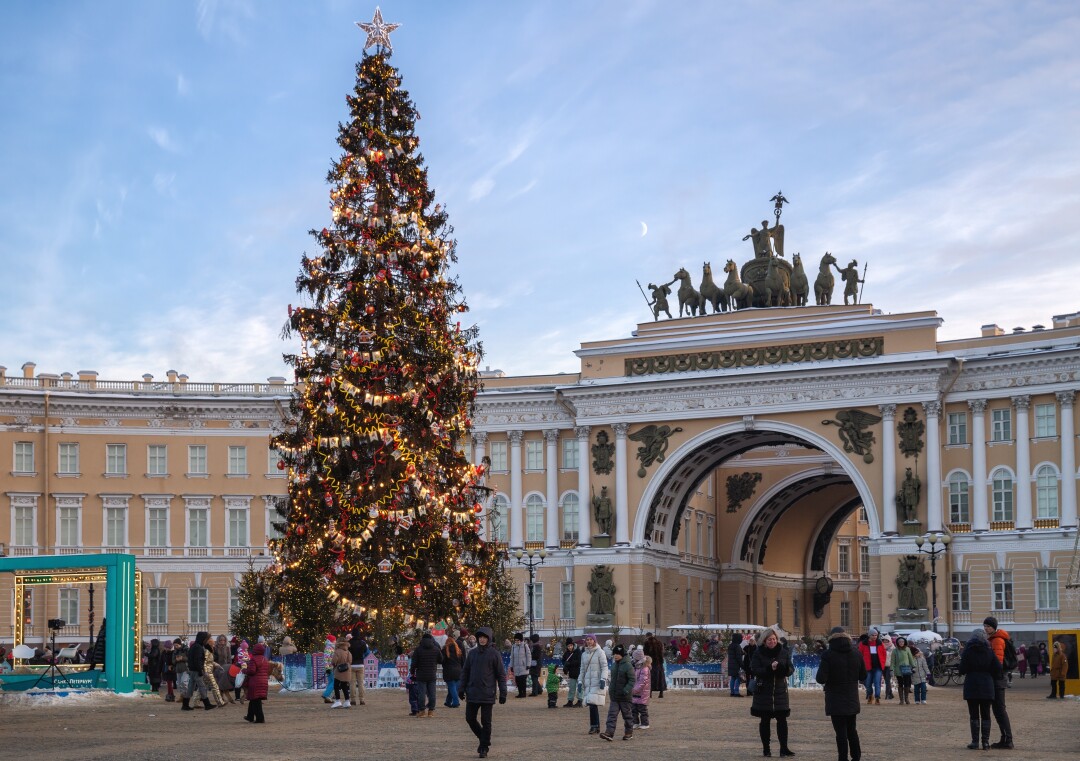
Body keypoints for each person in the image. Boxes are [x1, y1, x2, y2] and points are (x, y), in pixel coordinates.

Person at [816, 626, 866, 761]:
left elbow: (820, 678)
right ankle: (856, 757)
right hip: (851, 697)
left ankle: (842, 758)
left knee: (840, 733)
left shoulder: (828, 655)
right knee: (852, 730)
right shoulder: (856, 653)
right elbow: (863, 675)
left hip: (835, 698)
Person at [460, 626, 507, 759]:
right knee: (470, 718)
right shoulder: (472, 653)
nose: (481, 639)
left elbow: (501, 675)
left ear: (488, 639)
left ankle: (484, 748)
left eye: (484, 637)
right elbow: (465, 672)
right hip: (473, 692)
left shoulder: (494, 654)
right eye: (480, 637)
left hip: (487, 692)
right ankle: (484, 739)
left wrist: (503, 692)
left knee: (486, 722)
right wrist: (461, 688)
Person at [751, 626, 795, 757]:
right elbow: (754, 669)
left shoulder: (783, 652)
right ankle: (766, 748)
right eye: (769, 639)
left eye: (774, 639)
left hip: (780, 692)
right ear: (764, 641)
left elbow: (791, 669)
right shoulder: (758, 653)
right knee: (765, 721)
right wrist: (769, 669)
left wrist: (783, 668)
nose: (772, 641)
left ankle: (784, 748)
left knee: (782, 721)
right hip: (764, 692)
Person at [959, 627, 1001, 750]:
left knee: (974, 715)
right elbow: (998, 669)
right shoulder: (989, 651)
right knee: (986, 714)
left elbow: (962, 669)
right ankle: (986, 743)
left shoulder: (968, 651)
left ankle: (975, 742)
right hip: (987, 685)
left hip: (972, 684)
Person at [983, 616, 1014, 749]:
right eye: (984, 626)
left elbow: (997, 662)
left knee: (1000, 710)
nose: (986, 628)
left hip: (997, 679)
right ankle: (1005, 738)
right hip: (998, 679)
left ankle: (1008, 740)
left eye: (988, 626)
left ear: (994, 627)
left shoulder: (997, 640)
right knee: (998, 710)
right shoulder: (994, 639)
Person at [599, 643, 635, 741]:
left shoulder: (628, 665)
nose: (615, 656)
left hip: (625, 696)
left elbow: (632, 680)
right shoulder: (614, 665)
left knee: (627, 716)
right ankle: (609, 733)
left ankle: (628, 732)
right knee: (612, 715)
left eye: (617, 654)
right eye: (614, 654)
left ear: (622, 654)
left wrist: (626, 690)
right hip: (615, 696)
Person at [580, 634, 610, 735]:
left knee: (592, 704)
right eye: (587, 640)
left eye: (590, 640)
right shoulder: (584, 654)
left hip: (596, 681)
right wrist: (580, 681)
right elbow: (582, 670)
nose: (589, 641)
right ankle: (595, 726)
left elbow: (604, 667)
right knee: (591, 704)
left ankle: (594, 726)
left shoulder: (600, 652)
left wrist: (603, 679)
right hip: (588, 682)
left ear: (594, 641)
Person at [182, 632, 215, 711]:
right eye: (207, 639)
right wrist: (200, 671)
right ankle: (207, 704)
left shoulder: (195, 646)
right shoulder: (198, 647)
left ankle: (185, 705)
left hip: (193, 670)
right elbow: (197, 660)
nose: (208, 641)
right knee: (202, 687)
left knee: (191, 687)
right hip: (196, 670)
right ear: (203, 639)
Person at [243, 641, 270, 723]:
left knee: (256, 701)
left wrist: (245, 670)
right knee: (253, 699)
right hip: (263, 682)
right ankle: (250, 716)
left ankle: (260, 718)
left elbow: (252, 671)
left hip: (255, 682)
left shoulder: (253, 659)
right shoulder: (265, 659)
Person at [858, 629, 887, 704]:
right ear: (869, 635)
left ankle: (877, 697)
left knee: (877, 682)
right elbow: (860, 655)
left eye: (876, 635)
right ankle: (870, 695)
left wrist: (882, 664)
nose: (874, 636)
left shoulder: (880, 643)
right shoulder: (863, 644)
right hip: (867, 667)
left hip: (878, 667)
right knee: (868, 683)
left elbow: (884, 654)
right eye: (873, 635)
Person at [889, 635, 916, 705]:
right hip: (898, 670)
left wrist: (913, 666)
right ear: (897, 643)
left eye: (902, 641)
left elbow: (910, 658)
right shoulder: (895, 651)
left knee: (907, 684)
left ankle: (906, 698)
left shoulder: (907, 649)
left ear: (905, 642)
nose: (901, 643)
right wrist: (891, 669)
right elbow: (892, 661)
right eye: (900, 642)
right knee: (900, 684)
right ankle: (901, 699)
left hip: (906, 669)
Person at [631, 650, 651, 730]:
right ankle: (635, 722)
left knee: (642, 709)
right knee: (633, 708)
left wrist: (635, 689)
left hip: (642, 692)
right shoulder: (636, 666)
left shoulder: (644, 668)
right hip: (634, 691)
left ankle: (645, 723)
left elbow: (643, 681)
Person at [443, 633, 465, 708]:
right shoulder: (458, 650)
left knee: (452, 687)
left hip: (449, 671)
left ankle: (456, 702)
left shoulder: (445, 650)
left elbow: (443, 661)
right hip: (458, 671)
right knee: (453, 688)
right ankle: (448, 701)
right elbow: (462, 661)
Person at [330, 636, 352, 709]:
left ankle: (338, 701)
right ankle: (347, 701)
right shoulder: (348, 651)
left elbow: (333, 661)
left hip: (339, 671)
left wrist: (334, 665)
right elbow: (350, 661)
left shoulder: (337, 651)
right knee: (344, 686)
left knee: (336, 686)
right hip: (347, 671)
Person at [643, 633, 667, 698]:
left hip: (651, 662)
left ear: (647, 636)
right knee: (661, 677)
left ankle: (650, 693)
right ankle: (661, 692)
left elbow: (645, 653)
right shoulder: (659, 643)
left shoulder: (647, 643)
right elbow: (662, 653)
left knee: (650, 677)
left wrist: (646, 662)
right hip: (659, 663)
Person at [349, 631, 369, 706]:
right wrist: (362, 656)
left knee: (352, 683)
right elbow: (367, 652)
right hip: (360, 664)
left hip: (352, 665)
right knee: (361, 683)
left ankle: (353, 700)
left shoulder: (349, 643)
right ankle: (362, 700)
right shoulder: (362, 643)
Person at [562, 638, 582, 707]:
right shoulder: (566, 653)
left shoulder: (578, 651)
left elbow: (579, 662)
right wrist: (565, 668)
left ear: (573, 645)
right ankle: (570, 701)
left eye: (571, 645)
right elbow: (564, 661)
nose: (570, 647)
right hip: (572, 673)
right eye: (568, 646)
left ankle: (580, 701)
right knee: (572, 687)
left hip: (579, 672)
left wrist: (569, 664)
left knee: (580, 687)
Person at [321, 634, 337, 704]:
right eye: (334, 640)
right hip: (330, 668)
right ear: (331, 641)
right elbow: (326, 659)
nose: (335, 641)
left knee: (330, 682)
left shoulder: (331, 647)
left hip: (330, 668)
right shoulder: (329, 648)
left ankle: (327, 697)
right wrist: (327, 668)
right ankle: (326, 694)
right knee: (333, 682)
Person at [728, 632, 744, 697]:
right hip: (736, 664)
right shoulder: (737, 646)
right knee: (738, 678)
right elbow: (738, 657)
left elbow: (732, 654)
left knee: (733, 678)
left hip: (731, 664)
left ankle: (732, 692)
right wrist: (742, 665)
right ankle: (736, 692)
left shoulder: (730, 645)